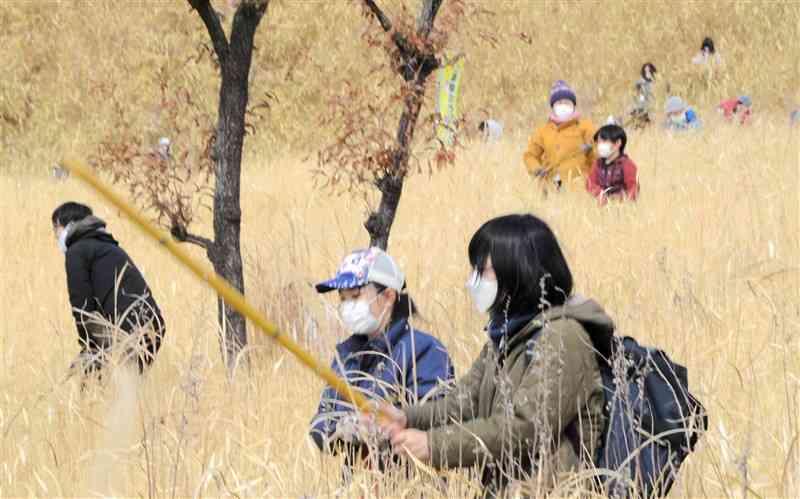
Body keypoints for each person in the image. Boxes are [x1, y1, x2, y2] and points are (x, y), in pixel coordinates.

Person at [375, 214, 613, 496]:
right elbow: (464, 402)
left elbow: (526, 428)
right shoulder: (506, 336)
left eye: (482, 271)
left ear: (518, 271)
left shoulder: (563, 337)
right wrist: (406, 417)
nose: (471, 282)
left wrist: (434, 445)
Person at [309, 247, 454, 480]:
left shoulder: (424, 351)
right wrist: (343, 429)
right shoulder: (346, 355)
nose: (347, 307)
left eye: (355, 296)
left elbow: (437, 420)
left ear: (388, 296)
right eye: (343, 299)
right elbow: (321, 422)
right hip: (356, 485)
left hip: (410, 485)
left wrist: (380, 426)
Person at [52, 202, 165, 378]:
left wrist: (88, 346)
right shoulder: (107, 246)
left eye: (55, 229)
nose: (55, 236)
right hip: (151, 325)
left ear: (66, 224)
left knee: (105, 389)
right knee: (127, 389)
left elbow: (81, 306)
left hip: (128, 330)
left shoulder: (77, 251)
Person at [523, 80, 596, 193]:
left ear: (573, 105)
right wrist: (536, 169)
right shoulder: (543, 131)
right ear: (553, 107)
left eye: (567, 103)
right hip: (550, 187)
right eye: (559, 103)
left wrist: (593, 179)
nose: (563, 106)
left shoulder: (585, 127)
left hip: (578, 186)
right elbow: (530, 155)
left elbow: (596, 153)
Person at [586, 124, 639, 203]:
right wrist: (600, 194)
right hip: (600, 207)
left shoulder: (627, 165)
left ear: (617, 143)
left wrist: (617, 199)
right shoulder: (597, 164)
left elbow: (633, 189)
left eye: (604, 141)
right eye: (598, 142)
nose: (599, 146)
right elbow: (590, 183)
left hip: (622, 208)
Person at [628, 62, 658, 128]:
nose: (647, 69)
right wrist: (640, 91)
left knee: (649, 109)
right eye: (646, 68)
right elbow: (637, 85)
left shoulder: (653, 77)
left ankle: (647, 121)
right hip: (643, 96)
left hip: (650, 96)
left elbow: (655, 86)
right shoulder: (641, 78)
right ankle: (639, 121)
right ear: (644, 69)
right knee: (641, 107)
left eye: (648, 68)